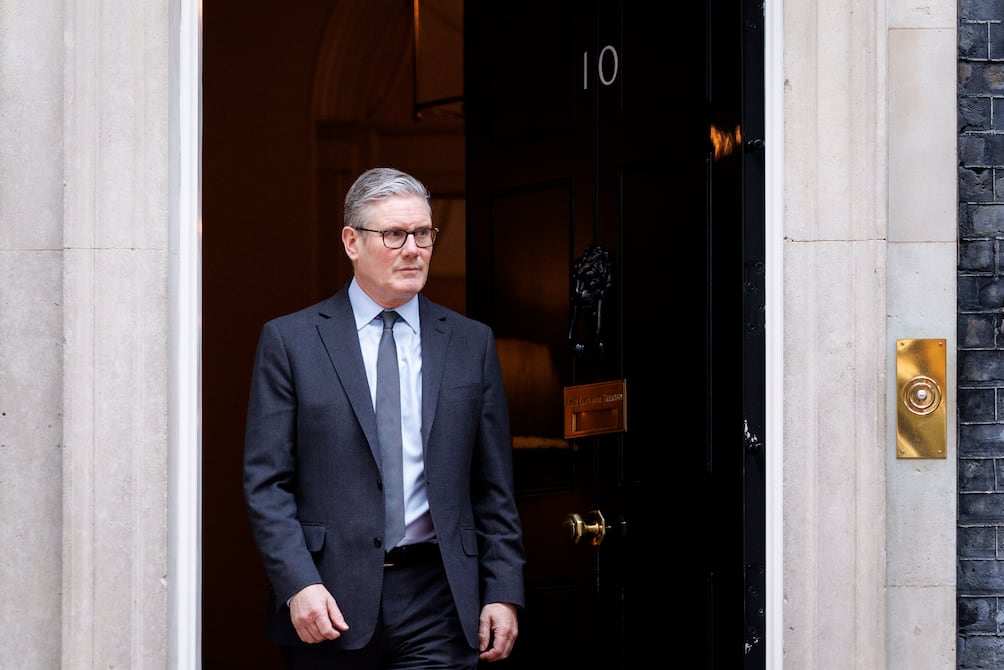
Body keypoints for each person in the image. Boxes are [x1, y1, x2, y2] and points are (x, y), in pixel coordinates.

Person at [243, 166, 526, 669]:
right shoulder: (291, 342)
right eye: (394, 234)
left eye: (423, 233)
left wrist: (502, 589)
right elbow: (267, 483)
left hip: (439, 596)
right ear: (352, 242)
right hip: (328, 600)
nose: (413, 249)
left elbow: (493, 485)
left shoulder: (470, 343)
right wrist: (298, 584)